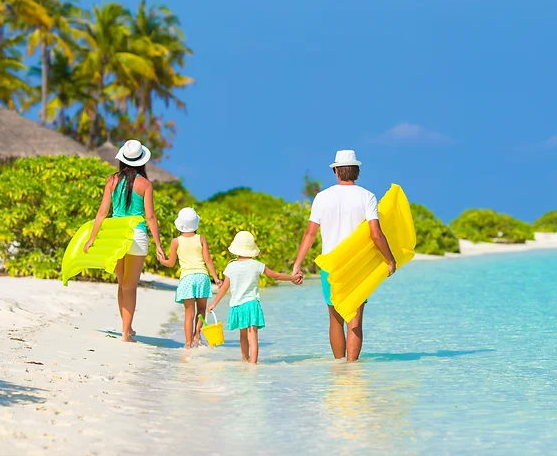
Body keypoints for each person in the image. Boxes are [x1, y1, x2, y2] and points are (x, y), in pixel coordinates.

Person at [292, 150, 397, 362]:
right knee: (355, 320)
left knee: (335, 319)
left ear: (337, 171)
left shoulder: (322, 197)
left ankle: (339, 368)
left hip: (331, 265)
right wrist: (390, 259)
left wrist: (297, 264)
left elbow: (310, 233)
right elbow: (376, 233)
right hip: (357, 267)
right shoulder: (367, 196)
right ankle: (353, 370)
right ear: (356, 171)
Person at [84, 140, 165, 343]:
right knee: (130, 286)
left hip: (116, 236)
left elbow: (102, 212)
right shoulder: (145, 184)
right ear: (141, 161)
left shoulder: (112, 181)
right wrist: (159, 245)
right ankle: (126, 333)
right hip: (137, 236)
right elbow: (151, 217)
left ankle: (126, 329)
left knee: (122, 284)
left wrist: (92, 238)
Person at [207, 231, 298, 364]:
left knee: (243, 336)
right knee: (253, 336)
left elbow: (224, 287)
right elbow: (276, 276)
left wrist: (214, 303)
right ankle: (253, 365)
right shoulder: (257, 265)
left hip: (237, 306)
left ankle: (245, 360)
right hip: (251, 305)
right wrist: (292, 278)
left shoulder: (231, 266)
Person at [157, 207, 222, 348]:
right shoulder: (201, 239)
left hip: (187, 278)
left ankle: (187, 343)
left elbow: (171, 263)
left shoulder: (176, 241)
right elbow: (208, 260)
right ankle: (197, 336)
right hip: (202, 277)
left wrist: (162, 261)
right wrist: (216, 278)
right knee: (202, 310)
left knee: (189, 314)